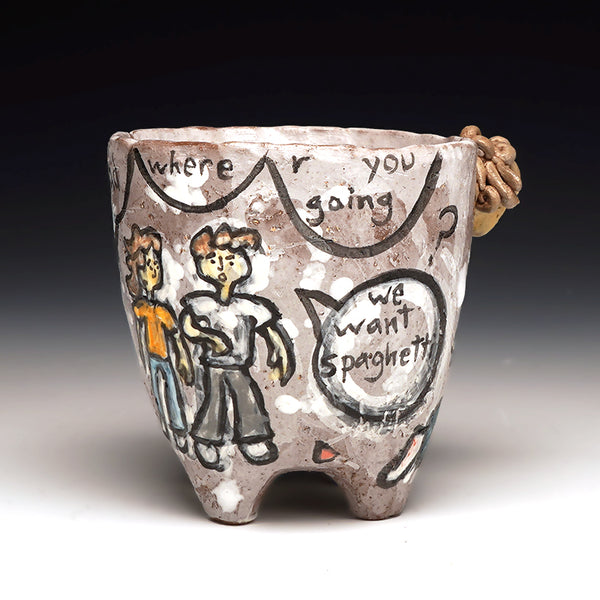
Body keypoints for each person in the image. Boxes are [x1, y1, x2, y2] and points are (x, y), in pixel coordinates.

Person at [180, 223, 295, 471]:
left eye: (231, 260)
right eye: (214, 261)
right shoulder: (203, 304)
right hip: (214, 366)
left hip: (239, 366)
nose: (223, 267)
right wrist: (211, 338)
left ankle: (253, 439)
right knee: (214, 402)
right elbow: (188, 327)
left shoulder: (247, 306)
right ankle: (207, 440)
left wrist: (280, 351)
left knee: (248, 398)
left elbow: (270, 330)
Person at [124, 224, 193, 452]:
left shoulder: (163, 312)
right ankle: (175, 429)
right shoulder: (141, 308)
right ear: (136, 272)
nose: (153, 271)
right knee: (159, 389)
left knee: (171, 389)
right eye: (147, 267)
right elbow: (141, 333)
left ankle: (179, 426)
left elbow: (176, 336)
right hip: (153, 358)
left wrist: (182, 359)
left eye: (155, 266)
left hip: (165, 358)